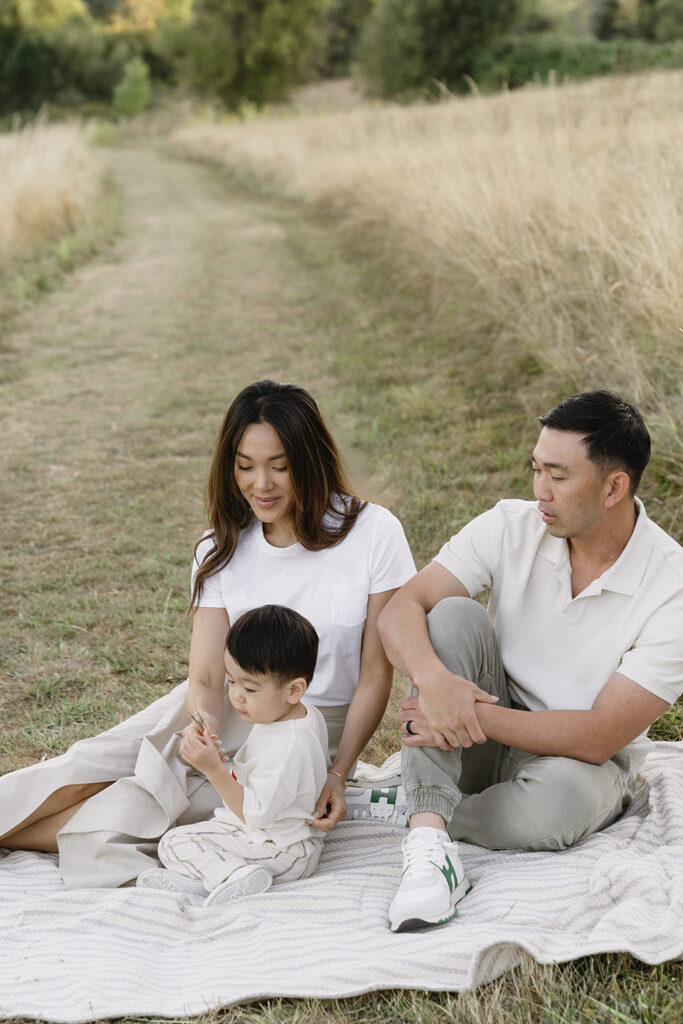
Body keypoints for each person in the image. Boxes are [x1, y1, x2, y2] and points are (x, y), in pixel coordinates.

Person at [0, 380, 415, 888]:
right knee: (87, 765)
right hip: (219, 705)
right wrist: (208, 735)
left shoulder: (373, 532)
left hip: (304, 729)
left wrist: (337, 773)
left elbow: (375, 676)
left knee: (143, 815)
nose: (261, 484)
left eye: (279, 466)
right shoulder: (220, 545)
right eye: (245, 466)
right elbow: (204, 674)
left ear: (309, 461)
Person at [378, 390, 683, 933]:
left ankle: (409, 801)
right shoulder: (509, 524)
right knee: (449, 615)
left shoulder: (672, 586)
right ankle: (427, 842)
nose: (539, 490)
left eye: (559, 476)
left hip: (576, 762)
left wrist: (453, 710)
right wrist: (434, 682)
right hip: (480, 731)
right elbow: (401, 608)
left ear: (615, 486)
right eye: (536, 468)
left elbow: (599, 736)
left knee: (556, 808)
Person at [137, 605, 328, 906]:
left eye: (250, 688)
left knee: (175, 843)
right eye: (232, 681)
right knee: (182, 838)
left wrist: (214, 770)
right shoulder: (291, 716)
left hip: (284, 850)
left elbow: (253, 813)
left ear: (294, 690)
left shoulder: (289, 744)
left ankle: (233, 876)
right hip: (269, 836)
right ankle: (205, 882)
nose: (235, 696)